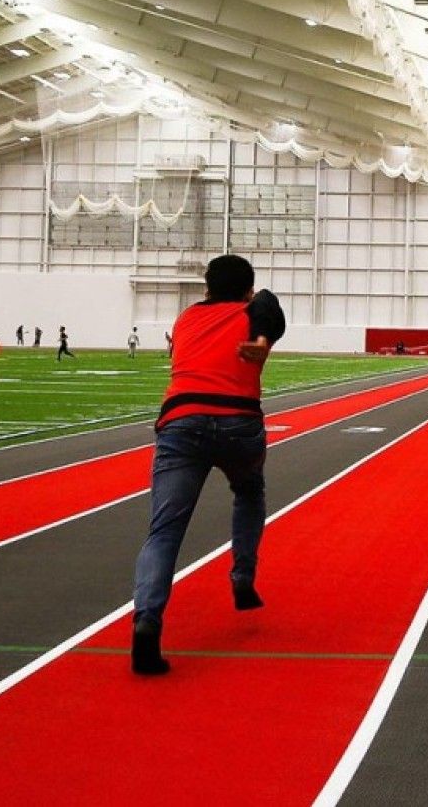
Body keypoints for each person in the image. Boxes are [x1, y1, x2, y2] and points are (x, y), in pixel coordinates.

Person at [131, 254, 286, 675]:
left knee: (164, 531)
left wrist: (261, 333)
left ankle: (147, 619)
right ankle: (242, 574)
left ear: (205, 289)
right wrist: (263, 339)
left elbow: (263, 304)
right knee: (249, 492)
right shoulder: (257, 312)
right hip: (240, 422)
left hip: (181, 422)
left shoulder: (185, 320)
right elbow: (270, 303)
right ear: (248, 291)